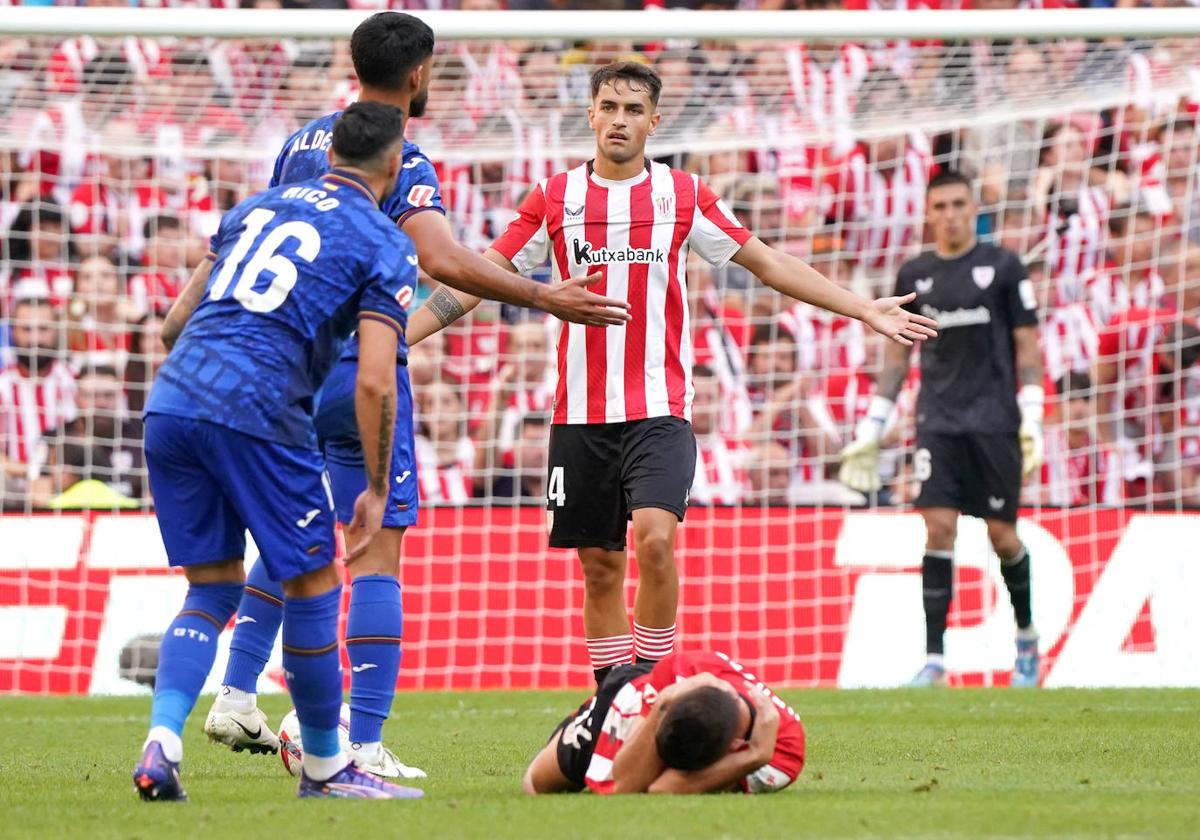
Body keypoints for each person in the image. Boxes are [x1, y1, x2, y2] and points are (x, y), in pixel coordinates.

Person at [407, 61, 936, 686]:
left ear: (654, 122)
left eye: (633, 110)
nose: (619, 120)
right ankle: (612, 702)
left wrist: (861, 307)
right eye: (609, 107)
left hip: (660, 410)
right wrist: (398, 337)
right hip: (579, 414)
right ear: (591, 116)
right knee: (599, 567)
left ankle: (654, 687)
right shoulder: (555, 196)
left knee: (655, 542)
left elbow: (767, 263)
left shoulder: (683, 195)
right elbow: (476, 279)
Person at [200, 12, 630, 779]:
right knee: (378, 554)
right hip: (355, 365)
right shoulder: (400, 154)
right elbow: (440, 258)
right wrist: (543, 294)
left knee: (292, 533)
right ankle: (358, 740)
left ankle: (235, 690)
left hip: (280, 368)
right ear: (420, 74)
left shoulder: (301, 141)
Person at [132, 102, 423, 802]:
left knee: (211, 587)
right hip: (260, 409)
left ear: (327, 158)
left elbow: (175, 322)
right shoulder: (385, 241)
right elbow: (376, 379)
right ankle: (327, 766)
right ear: (393, 166)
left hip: (172, 402)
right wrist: (377, 486)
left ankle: (162, 742)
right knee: (315, 584)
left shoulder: (254, 209)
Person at [838, 170, 1045, 689]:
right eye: (941, 206)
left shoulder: (1002, 267)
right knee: (939, 529)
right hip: (938, 423)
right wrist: (872, 426)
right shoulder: (915, 273)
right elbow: (895, 358)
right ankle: (934, 659)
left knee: (1002, 536)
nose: (951, 214)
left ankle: (1025, 638)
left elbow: (1028, 349)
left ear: (972, 207)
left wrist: (1034, 415)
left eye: (959, 204)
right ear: (928, 213)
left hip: (996, 423)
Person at [523, 650, 804, 795]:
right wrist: (660, 705)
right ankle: (582, 717)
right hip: (631, 702)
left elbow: (661, 788)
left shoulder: (784, 752)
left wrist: (757, 755)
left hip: (671, 710)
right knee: (535, 785)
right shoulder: (686, 671)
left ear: (735, 747)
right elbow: (626, 785)